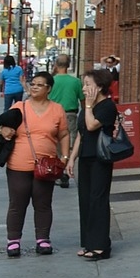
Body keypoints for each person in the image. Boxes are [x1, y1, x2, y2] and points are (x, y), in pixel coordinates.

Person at [0, 69, 66, 257]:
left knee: (43, 203)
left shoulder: (57, 109)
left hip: (46, 166)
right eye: (33, 84)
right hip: (18, 165)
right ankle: (13, 241)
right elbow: (0, 125)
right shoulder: (19, 107)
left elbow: (64, 134)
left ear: (49, 89)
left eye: (39, 85)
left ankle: (43, 239)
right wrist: (3, 130)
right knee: (17, 203)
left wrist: (66, 157)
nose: (34, 87)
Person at [70, 66, 120, 261]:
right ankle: (88, 242)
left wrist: (89, 105)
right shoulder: (86, 107)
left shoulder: (107, 107)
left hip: (101, 158)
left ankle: (101, 245)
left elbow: (92, 125)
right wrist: (71, 158)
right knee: (85, 200)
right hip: (85, 157)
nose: (84, 89)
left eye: (87, 85)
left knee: (98, 199)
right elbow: (81, 133)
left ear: (99, 87)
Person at [49, 56, 83, 190]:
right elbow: (83, 100)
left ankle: (59, 172)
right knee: (70, 143)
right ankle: (67, 169)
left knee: (56, 143)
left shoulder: (51, 81)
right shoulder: (75, 81)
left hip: (53, 114)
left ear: (56, 64)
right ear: (69, 65)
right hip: (70, 114)